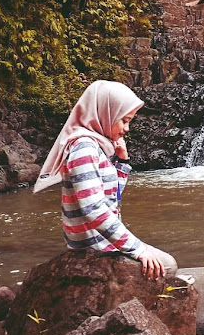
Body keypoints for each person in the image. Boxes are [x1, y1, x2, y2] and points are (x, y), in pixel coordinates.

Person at [34, 80, 177, 280]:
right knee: (168, 266)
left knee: (166, 264)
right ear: (105, 113)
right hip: (93, 245)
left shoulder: (96, 146)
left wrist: (122, 161)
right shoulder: (84, 148)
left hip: (99, 239)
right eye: (124, 120)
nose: (127, 129)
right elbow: (93, 209)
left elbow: (112, 197)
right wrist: (138, 249)